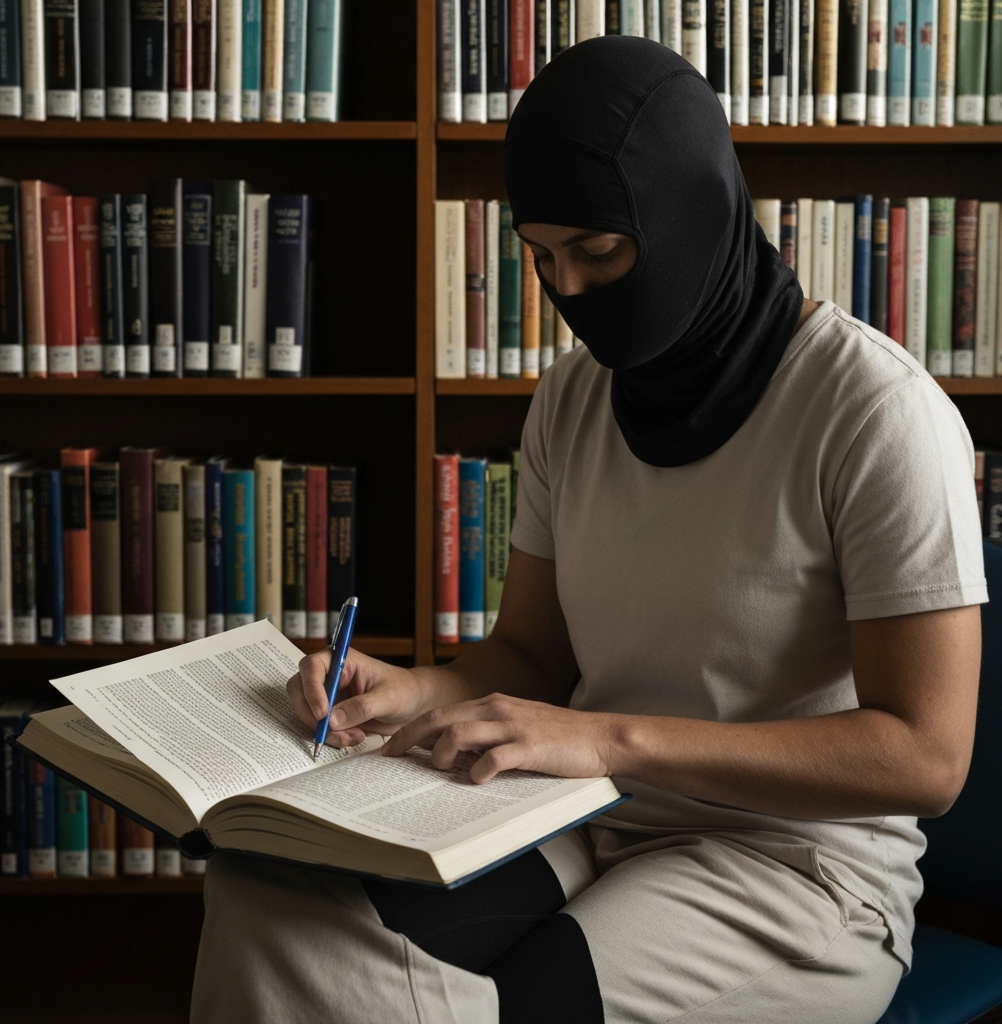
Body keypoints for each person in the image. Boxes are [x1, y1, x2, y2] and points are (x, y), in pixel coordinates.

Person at [190, 37, 985, 1024]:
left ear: (688, 208)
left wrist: (604, 738)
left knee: (507, 1007)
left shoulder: (872, 412)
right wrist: (411, 687)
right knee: (273, 900)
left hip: (795, 862)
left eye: (599, 251)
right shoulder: (572, 400)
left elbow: (924, 755)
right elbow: (530, 654)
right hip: (582, 811)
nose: (567, 289)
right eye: (542, 257)